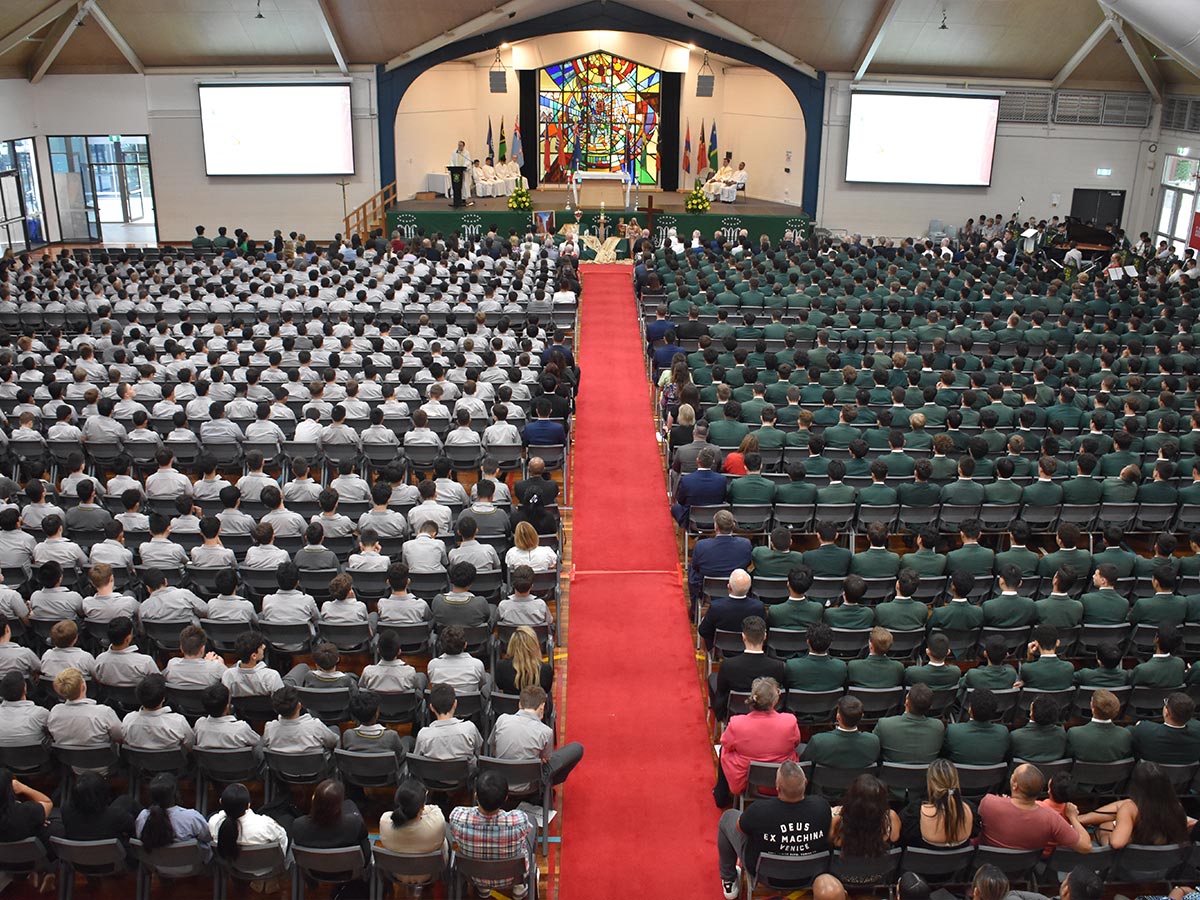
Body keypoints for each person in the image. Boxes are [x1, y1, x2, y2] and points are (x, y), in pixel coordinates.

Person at [716, 761, 831, 899]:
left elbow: (740, 828)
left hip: (765, 876)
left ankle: (729, 880)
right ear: (805, 783)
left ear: (777, 787)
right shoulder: (822, 807)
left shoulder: (759, 810)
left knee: (727, 818)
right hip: (809, 875)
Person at [714, 676, 799, 807]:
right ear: (775, 700)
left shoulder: (737, 723)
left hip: (747, 781)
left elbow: (726, 743)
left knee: (724, 751)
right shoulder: (789, 721)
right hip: (782, 778)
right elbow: (796, 743)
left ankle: (721, 795)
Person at [448, 772, 534, 899]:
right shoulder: (519, 820)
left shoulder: (457, 817)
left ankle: (483, 888)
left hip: (473, 875)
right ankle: (519, 888)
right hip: (512, 877)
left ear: (476, 796)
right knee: (530, 831)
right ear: (506, 798)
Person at [977, 763, 1091, 853]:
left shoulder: (989, 802)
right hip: (1024, 869)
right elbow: (1085, 847)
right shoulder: (1051, 818)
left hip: (988, 865)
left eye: (1013, 775)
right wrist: (1073, 817)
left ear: (1015, 785)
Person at [1077, 761, 1188, 848]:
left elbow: (1117, 843)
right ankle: (1079, 819)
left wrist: (1113, 825)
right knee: (1124, 805)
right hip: (1162, 868)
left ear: (1136, 786)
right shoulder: (1176, 806)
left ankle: (1076, 820)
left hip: (1131, 868)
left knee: (1106, 825)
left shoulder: (1130, 809)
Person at [829, 774, 901, 882]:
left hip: (844, 877)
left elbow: (830, 842)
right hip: (878, 876)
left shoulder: (838, 822)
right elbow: (895, 838)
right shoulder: (891, 818)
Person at [377, 779, 448, 884]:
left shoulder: (384, 821)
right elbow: (434, 809)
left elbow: (392, 814)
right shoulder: (436, 822)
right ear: (422, 807)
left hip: (396, 873)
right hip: (430, 873)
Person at [136, 773, 212, 862]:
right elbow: (207, 837)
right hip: (190, 867)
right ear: (176, 794)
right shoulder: (191, 818)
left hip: (157, 866)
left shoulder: (142, 818)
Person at [900, 758, 975, 848]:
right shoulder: (970, 810)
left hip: (922, 861)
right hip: (960, 861)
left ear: (930, 783)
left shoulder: (915, 812)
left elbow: (903, 836)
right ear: (956, 781)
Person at [291, 779, 370, 860]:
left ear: (314, 800)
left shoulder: (298, 826)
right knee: (349, 803)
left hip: (311, 871)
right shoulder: (354, 824)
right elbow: (366, 856)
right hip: (348, 871)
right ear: (339, 807)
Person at [210, 782, 289, 859]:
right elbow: (282, 838)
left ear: (221, 801)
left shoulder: (213, 822)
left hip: (231, 870)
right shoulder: (264, 825)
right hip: (266, 870)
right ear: (248, 805)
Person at [61, 770, 137, 846]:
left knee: (124, 800)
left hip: (76, 855)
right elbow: (132, 830)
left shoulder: (66, 811)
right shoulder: (118, 816)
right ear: (103, 792)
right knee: (126, 800)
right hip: (111, 854)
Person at [495, 625, 554, 695]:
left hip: (509, 705)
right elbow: (547, 690)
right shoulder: (545, 669)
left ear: (511, 644)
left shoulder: (501, 666)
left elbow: (500, 686)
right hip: (535, 705)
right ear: (535, 645)